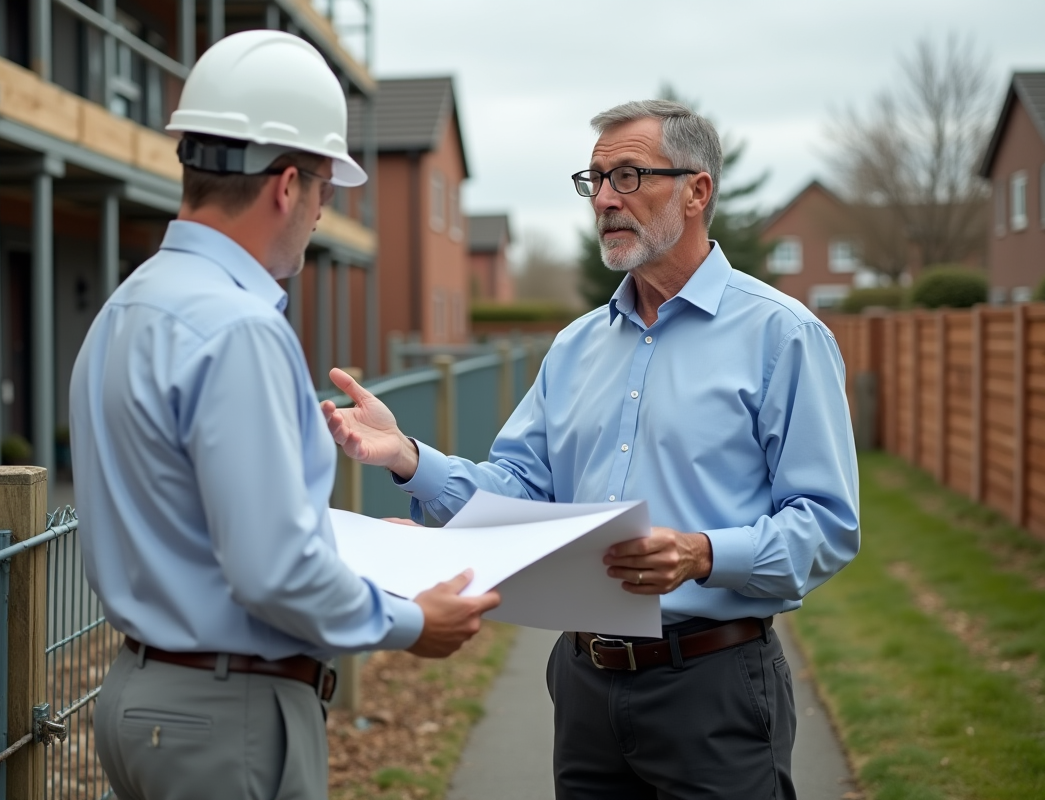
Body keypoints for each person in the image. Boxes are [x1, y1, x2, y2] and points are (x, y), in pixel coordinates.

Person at [321, 100, 860, 799]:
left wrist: (702, 553)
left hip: (714, 690)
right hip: (583, 688)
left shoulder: (783, 336)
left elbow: (826, 524)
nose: (604, 198)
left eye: (629, 175)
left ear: (698, 191)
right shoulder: (576, 346)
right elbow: (518, 491)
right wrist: (409, 459)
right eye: (595, 179)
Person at [69, 30, 499, 800]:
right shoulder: (240, 329)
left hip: (143, 702)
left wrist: (355, 548)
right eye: (326, 194)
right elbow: (272, 569)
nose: (320, 215)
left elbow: (198, 521)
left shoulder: (128, 307)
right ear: (287, 184)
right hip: (226, 714)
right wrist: (412, 622)